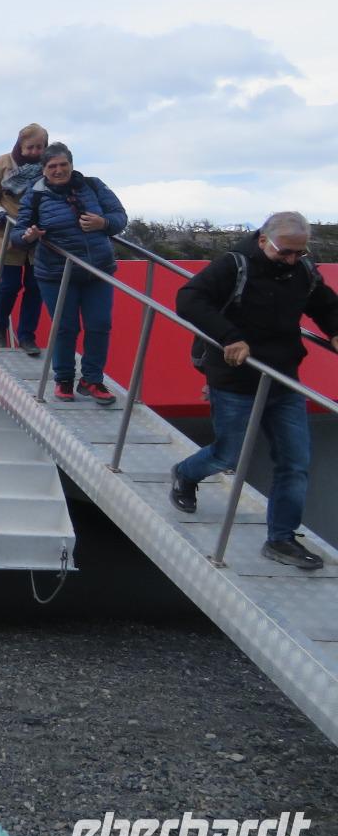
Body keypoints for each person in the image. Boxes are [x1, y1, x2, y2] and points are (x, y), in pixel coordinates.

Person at [170, 212, 338, 570]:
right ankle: (185, 473)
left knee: (295, 462)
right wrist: (230, 336)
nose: (292, 260)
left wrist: (335, 330)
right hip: (235, 378)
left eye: (299, 253)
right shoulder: (234, 266)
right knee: (228, 455)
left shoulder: (302, 272)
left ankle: (281, 539)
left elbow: (325, 304)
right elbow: (189, 299)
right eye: (285, 252)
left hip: (283, 379)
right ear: (264, 240)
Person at [10, 142, 127, 405]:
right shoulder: (35, 195)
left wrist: (103, 223)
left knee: (100, 325)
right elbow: (17, 235)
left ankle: (92, 380)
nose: (59, 170)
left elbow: (120, 217)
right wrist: (28, 235)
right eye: (52, 166)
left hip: (97, 270)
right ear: (44, 169)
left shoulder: (94, 186)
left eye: (63, 165)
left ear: (72, 165)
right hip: (56, 273)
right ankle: (64, 380)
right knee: (65, 327)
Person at [0, 123, 47, 355]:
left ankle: (27, 336)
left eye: (40, 147)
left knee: (34, 286)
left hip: (38, 235)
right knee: (8, 285)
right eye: (30, 147)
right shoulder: (3, 163)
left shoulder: (48, 166)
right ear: (20, 145)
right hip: (6, 231)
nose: (35, 152)